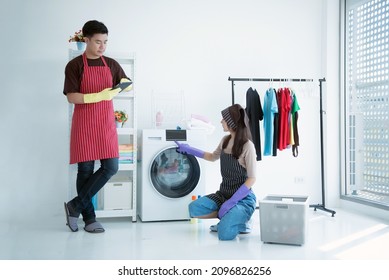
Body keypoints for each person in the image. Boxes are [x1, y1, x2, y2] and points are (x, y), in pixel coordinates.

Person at [63, 20, 132, 233]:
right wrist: (97, 96)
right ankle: (90, 219)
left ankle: (74, 205)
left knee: (110, 167)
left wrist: (118, 89)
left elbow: (127, 82)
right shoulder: (75, 65)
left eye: (105, 42)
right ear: (86, 40)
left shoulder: (110, 64)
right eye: (97, 42)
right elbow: (71, 97)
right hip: (84, 124)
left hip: (104, 123)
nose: (102, 47)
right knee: (85, 171)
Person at [175, 104, 257, 240]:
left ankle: (243, 222)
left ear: (232, 122)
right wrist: (190, 150)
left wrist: (232, 202)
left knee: (224, 234)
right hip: (223, 194)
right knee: (193, 209)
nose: (221, 122)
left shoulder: (248, 146)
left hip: (242, 199)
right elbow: (212, 157)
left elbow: (252, 178)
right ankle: (230, 218)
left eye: (224, 119)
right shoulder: (225, 140)